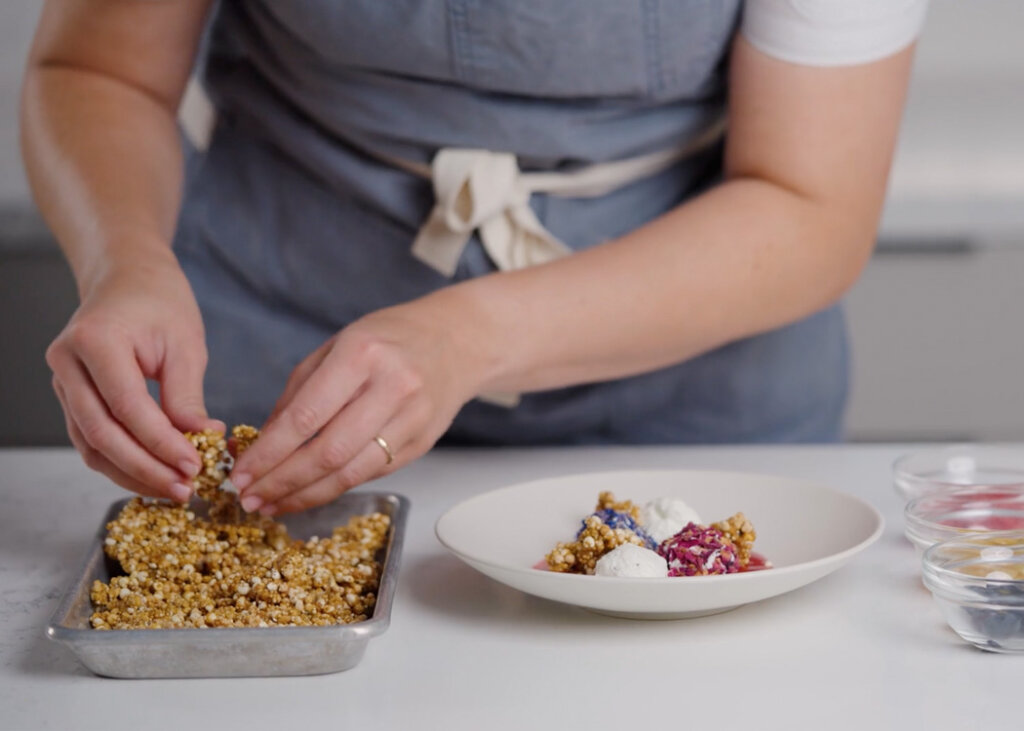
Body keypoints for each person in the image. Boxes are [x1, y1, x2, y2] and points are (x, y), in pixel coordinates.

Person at [22, 0, 928, 516]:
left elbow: (810, 203)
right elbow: (100, 71)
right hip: (273, 340)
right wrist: (126, 262)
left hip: (691, 392)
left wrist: (467, 337)